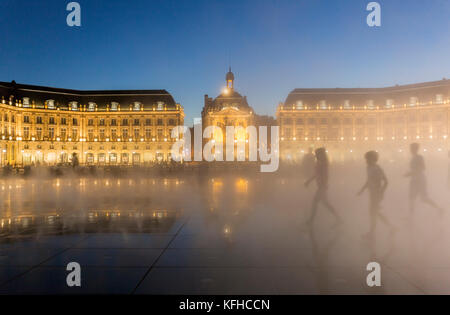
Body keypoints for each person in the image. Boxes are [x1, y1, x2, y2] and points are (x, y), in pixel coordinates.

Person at [357, 151, 394, 240]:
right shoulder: (368, 168)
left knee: (373, 213)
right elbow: (368, 180)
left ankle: (372, 233)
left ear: (373, 159)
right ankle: (391, 227)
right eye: (366, 159)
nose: (366, 161)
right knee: (375, 213)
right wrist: (362, 189)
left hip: (376, 194)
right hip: (372, 193)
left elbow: (386, 181)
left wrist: (381, 192)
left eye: (367, 159)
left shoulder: (377, 168)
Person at [305, 148, 341, 225]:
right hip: (321, 186)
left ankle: (311, 221)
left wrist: (323, 185)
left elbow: (325, 175)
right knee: (326, 204)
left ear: (321, 154)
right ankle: (338, 218)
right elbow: (316, 174)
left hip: (322, 187)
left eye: (317, 153)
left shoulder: (323, 163)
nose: (316, 155)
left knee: (316, 203)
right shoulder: (320, 162)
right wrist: (309, 181)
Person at [405, 143, 442, 215]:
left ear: (414, 149)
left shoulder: (419, 157)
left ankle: (439, 208)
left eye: (411, 148)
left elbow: (422, 168)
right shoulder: (414, 157)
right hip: (416, 179)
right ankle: (411, 216)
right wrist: (410, 173)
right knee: (413, 198)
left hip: (419, 179)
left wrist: (410, 173)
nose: (410, 150)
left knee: (422, 198)